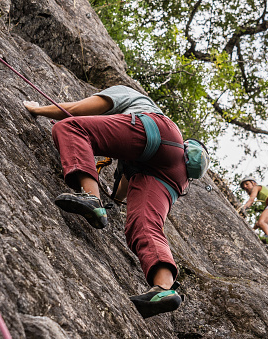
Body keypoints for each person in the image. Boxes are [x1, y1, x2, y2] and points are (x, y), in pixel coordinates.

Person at [23, 85, 189, 318]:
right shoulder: (130, 150)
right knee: (143, 225)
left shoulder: (126, 93)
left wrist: (38, 109)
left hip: (157, 131)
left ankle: (91, 198)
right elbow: (121, 192)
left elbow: (77, 110)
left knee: (70, 128)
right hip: (174, 170)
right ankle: (164, 289)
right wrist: (111, 202)